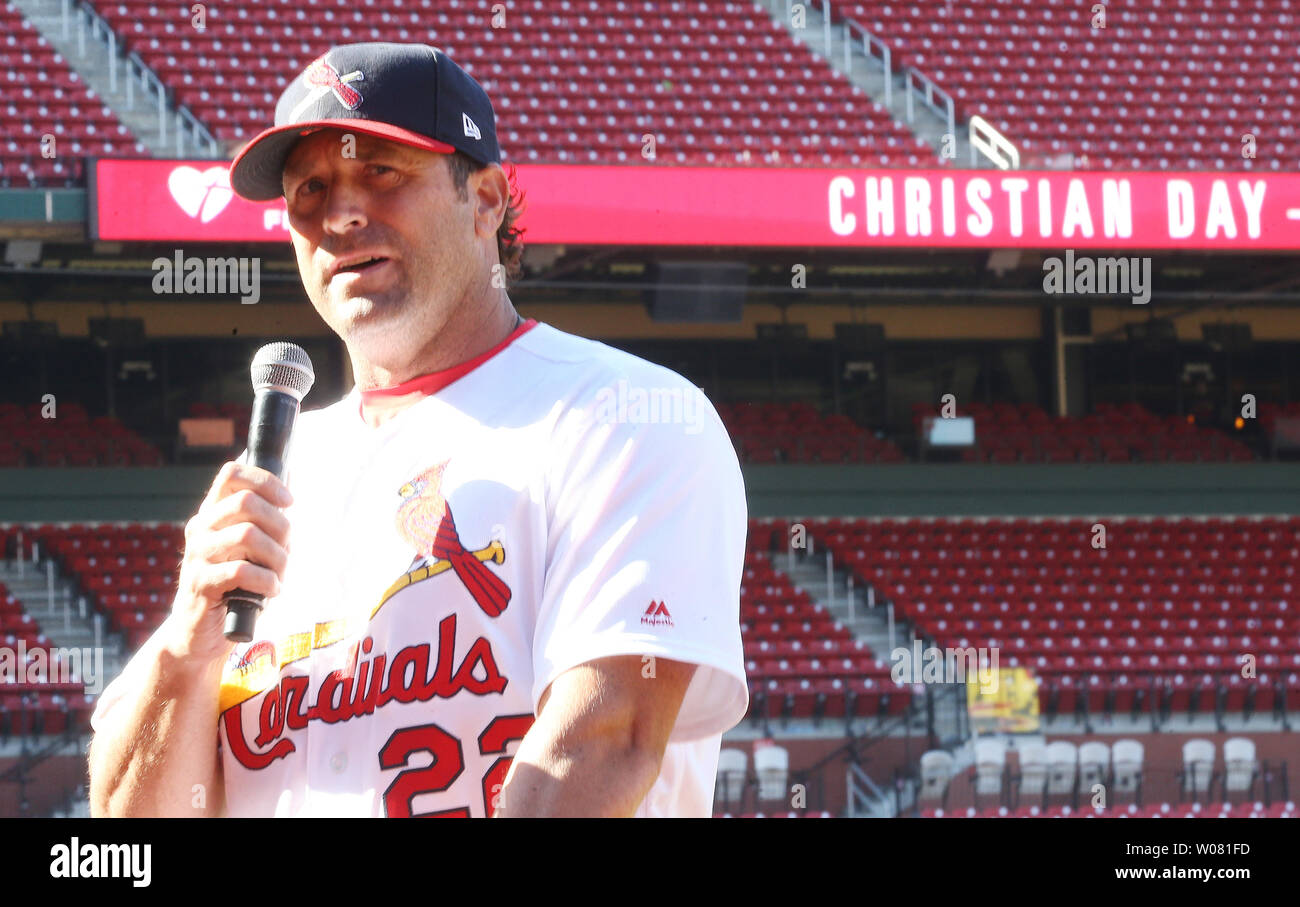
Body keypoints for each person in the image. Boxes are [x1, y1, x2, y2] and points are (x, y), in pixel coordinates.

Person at [87, 42, 749, 817]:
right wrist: (185, 644)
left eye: (381, 172)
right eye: (310, 189)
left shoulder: (625, 416)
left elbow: (599, 750)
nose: (340, 212)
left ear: (487, 200)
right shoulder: (266, 493)